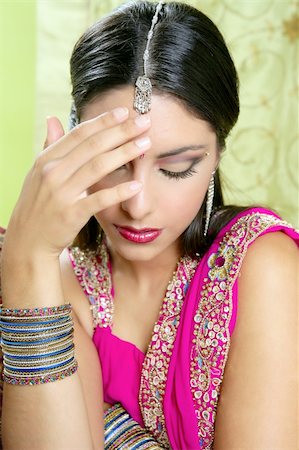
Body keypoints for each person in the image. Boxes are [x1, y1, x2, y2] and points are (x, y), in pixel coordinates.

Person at [0, 1, 298, 449]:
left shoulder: (262, 268)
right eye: (115, 162)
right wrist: (27, 256)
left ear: (217, 151)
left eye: (177, 168)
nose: (137, 206)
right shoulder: (63, 279)